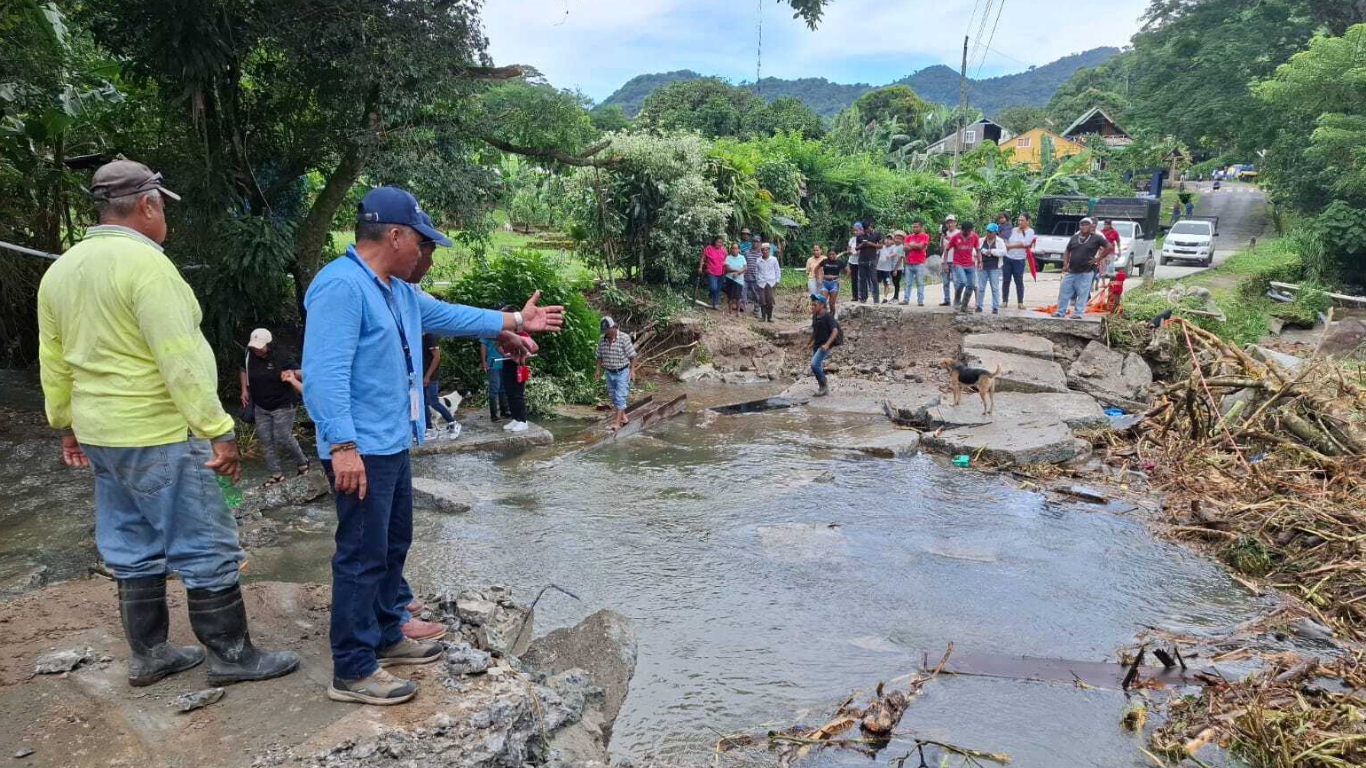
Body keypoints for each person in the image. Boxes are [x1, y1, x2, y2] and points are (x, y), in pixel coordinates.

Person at [37, 160, 299, 689]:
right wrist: (218, 430)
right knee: (205, 542)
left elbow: (55, 358)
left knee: (130, 544)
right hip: (157, 431)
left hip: (100, 434)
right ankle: (230, 655)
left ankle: (150, 655)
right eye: (162, 207)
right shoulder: (149, 268)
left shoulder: (61, 271)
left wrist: (64, 424)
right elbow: (181, 359)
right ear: (148, 204)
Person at [302, 185, 563, 706]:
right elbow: (323, 375)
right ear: (395, 236)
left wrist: (512, 323)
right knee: (360, 554)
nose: (427, 253)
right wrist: (342, 445)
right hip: (362, 447)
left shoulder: (396, 289)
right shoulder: (341, 286)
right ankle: (352, 669)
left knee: (393, 544)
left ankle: (385, 635)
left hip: (393, 442)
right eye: (424, 242)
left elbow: (449, 315)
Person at [239, 328, 310, 486]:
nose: (257, 349)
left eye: (260, 346)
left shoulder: (282, 355)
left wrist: (291, 374)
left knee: (283, 436)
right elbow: (243, 369)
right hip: (260, 404)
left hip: (282, 403)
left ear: (269, 344)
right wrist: (244, 389)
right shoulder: (249, 354)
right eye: (254, 346)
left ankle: (303, 462)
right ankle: (276, 474)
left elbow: (303, 373)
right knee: (265, 440)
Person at [1055, 217, 1113, 320]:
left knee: (1083, 293)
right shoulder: (1074, 238)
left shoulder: (1096, 238)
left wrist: (1099, 258)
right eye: (1082, 224)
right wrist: (1065, 264)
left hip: (1086, 271)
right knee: (1064, 290)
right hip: (1072, 270)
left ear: (1091, 226)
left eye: (1086, 224)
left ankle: (1078, 313)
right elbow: (1067, 251)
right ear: (1079, 226)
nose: (1084, 226)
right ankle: (1060, 311)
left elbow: (1109, 247)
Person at [595, 316, 637, 431]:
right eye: (604, 332)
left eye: (607, 331)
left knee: (620, 397)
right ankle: (624, 418)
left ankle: (617, 424)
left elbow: (633, 357)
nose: (606, 334)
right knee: (613, 397)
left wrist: (632, 371)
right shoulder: (602, 339)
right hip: (609, 372)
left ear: (613, 327)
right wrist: (598, 370)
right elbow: (599, 357)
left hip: (622, 371)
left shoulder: (624, 338)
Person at [809, 294, 841, 397]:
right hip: (817, 344)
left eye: (815, 305)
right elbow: (814, 331)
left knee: (814, 364)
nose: (812, 307)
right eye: (812, 305)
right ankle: (823, 387)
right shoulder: (815, 316)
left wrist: (827, 344)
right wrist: (808, 344)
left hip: (825, 345)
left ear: (822, 305)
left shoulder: (827, 316)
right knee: (817, 366)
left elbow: (835, 331)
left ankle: (824, 385)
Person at [1003, 214, 1034, 309]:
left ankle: (1020, 302)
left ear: (1028, 221)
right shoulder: (1013, 230)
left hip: (1019, 260)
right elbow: (1005, 239)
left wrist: (1010, 246)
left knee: (1019, 281)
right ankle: (1005, 301)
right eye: (1019, 220)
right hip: (1008, 258)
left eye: (1022, 220)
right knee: (1006, 280)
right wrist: (1007, 245)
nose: (1020, 222)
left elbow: (1026, 243)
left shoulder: (1030, 231)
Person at [948, 221, 980, 312]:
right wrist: (945, 263)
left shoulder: (974, 236)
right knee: (962, 281)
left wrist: (980, 261)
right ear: (962, 230)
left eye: (969, 231)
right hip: (958, 263)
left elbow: (977, 250)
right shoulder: (955, 237)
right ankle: (957, 298)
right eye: (966, 232)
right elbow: (947, 250)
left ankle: (964, 306)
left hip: (970, 264)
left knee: (971, 285)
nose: (968, 233)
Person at [976, 224, 1006, 314]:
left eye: (990, 232)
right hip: (983, 266)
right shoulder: (981, 240)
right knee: (981, 287)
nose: (988, 234)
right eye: (987, 232)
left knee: (995, 288)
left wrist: (992, 251)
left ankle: (995, 307)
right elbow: (975, 250)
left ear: (995, 232)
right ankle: (979, 306)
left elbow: (1004, 252)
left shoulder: (1000, 241)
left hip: (994, 267)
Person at [480, 336, 509, 422]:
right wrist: (484, 361)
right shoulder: (488, 332)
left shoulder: (504, 330)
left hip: (504, 362)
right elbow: (483, 346)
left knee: (503, 389)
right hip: (493, 364)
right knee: (494, 388)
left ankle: (504, 411)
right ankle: (494, 414)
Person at [901, 221, 930, 306]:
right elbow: (905, 248)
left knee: (920, 282)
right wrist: (915, 245)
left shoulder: (925, 236)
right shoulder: (909, 237)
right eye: (913, 227)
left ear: (921, 227)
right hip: (909, 262)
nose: (914, 228)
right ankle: (906, 300)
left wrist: (911, 245)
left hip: (920, 262)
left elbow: (921, 247)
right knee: (907, 282)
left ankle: (920, 301)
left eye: (916, 227)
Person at [856, 219, 883, 304]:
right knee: (862, 280)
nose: (866, 230)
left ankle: (876, 298)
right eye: (865, 229)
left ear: (870, 226)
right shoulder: (860, 236)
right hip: (862, 260)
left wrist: (870, 244)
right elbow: (856, 248)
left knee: (874, 279)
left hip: (872, 260)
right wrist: (862, 244)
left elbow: (881, 246)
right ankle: (863, 298)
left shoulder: (877, 234)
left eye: (867, 228)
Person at [697, 236, 727, 309]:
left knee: (718, 289)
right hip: (711, 272)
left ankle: (715, 304)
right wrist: (700, 267)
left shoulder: (723, 249)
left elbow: (726, 258)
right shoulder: (709, 248)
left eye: (721, 243)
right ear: (714, 242)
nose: (720, 244)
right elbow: (703, 258)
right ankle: (711, 294)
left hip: (721, 272)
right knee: (713, 288)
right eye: (718, 242)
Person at [755, 243, 782, 322]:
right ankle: (763, 317)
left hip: (771, 282)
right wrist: (757, 281)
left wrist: (777, 280)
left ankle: (769, 317)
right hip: (761, 282)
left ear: (769, 250)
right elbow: (756, 271)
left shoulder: (774, 259)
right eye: (763, 250)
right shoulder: (758, 260)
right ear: (761, 251)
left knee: (770, 300)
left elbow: (777, 270)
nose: (765, 251)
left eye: (767, 249)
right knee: (762, 300)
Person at [939, 215, 959, 306]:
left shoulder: (959, 233)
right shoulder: (944, 234)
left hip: (956, 260)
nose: (950, 224)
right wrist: (942, 239)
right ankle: (947, 299)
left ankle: (957, 299)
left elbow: (960, 245)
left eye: (951, 222)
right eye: (948, 223)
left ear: (955, 223)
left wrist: (949, 239)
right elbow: (942, 249)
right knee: (945, 282)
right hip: (945, 260)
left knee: (956, 282)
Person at [1097, 219, 1122, 291]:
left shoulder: (1114, 232)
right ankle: (1103, 283)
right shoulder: (1101, 232)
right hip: (1102, 252)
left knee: (1110, 267)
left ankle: (1110, 282)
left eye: (1108, 224)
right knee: (1102, 268)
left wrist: (1119, 250)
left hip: (1111, 252)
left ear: (1110, 225)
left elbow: (1118, 242)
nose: (1106, 226)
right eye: (1105, 224)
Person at [819, 246, 845, 315]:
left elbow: (848, 271)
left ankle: (832, 317)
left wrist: (844, 280)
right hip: (825, 283)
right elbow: (816, 268)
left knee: (831, 303)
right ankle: (825, 317)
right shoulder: (825, 261)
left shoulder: (839, 262)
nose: (831, 256)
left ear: (836, 254)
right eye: (830, 254)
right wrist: (818, 277)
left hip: (834, 284)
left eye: (833, 254)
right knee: (823, 302)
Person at [724, 243, 747, 316]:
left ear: (739, 250)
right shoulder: (728, 257)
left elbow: (745, 268)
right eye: (733, 248)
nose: (734, 250)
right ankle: (730, 311)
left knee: (738, 297)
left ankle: (738, 312)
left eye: (736, 248)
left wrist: (738, 273)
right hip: (729, 278)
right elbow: (727, 268)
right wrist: (737, 270)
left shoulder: (742, 257)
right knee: (730, 296)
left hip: (739, 280)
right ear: (731, 249)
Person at [743, 239, 763, 316]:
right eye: (754, 241)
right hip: (745, 277)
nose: (755, 243)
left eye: (757, 242)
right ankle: (742, 308)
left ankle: (756, 309)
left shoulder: (761, 254)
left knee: (756, 295)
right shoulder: (746, 253)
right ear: (751, 243)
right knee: (742, 293)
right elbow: (743, 264)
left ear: (760, 243)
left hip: (756, 278)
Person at [846, 223, 864, 302]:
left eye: (857, 230)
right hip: (852, 261)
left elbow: (861, 250)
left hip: (860, 262)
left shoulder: (863, 239)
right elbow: (849, 248)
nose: (855, 232)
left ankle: (861, 295)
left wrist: (853, 252)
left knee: (860, 279)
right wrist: (849, 251)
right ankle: (855, 296)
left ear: (861, 230)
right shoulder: (852, 239)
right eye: (854, 230)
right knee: (853, 279)